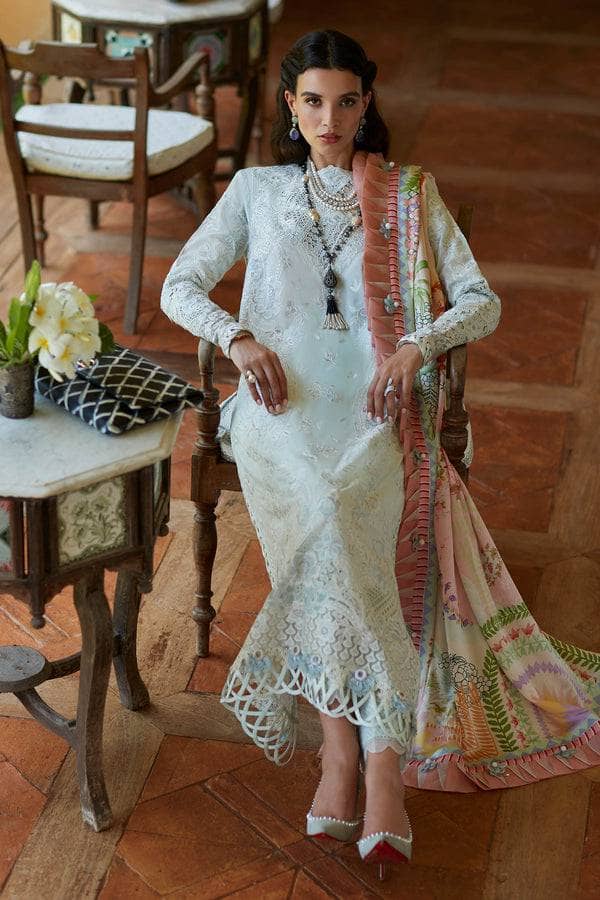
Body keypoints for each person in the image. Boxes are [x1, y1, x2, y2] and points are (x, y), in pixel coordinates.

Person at [161, 29, 600, 879]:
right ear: (290, 106)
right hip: (278, 408)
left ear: (366, 105)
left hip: (377, 405)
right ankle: (353, 753)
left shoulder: (408, 192)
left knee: (345, 508)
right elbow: (181, 284)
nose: (329, 118)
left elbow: (480, 300)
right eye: (312, 101)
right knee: (329, 510)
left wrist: (413, 350)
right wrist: (239, 338)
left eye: (346, 101)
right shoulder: (254, 191)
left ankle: (373, 760)